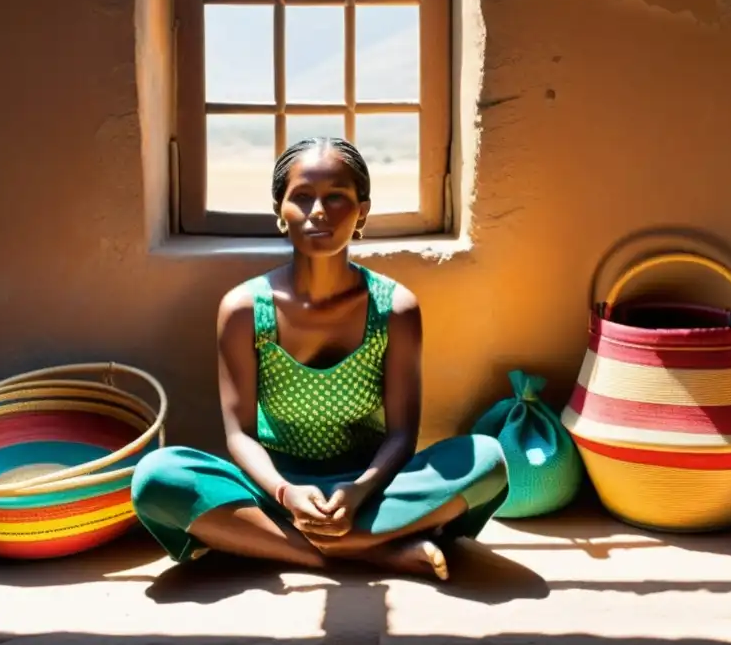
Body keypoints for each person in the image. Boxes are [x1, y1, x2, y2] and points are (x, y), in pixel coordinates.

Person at [131, 137, 508, 580]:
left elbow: (403, 434)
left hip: (371, 489)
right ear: (280, 210)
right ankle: (367, 552)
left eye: (337, 197)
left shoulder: (394, 309)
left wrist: (359, 490)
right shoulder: (244, 310)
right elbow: (239, 436)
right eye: (302, 197)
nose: (319, 211)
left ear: (362, 211)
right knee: (157, 476)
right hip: (272, 487)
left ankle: (274, 540)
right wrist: (287, 492)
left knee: (487, 460)